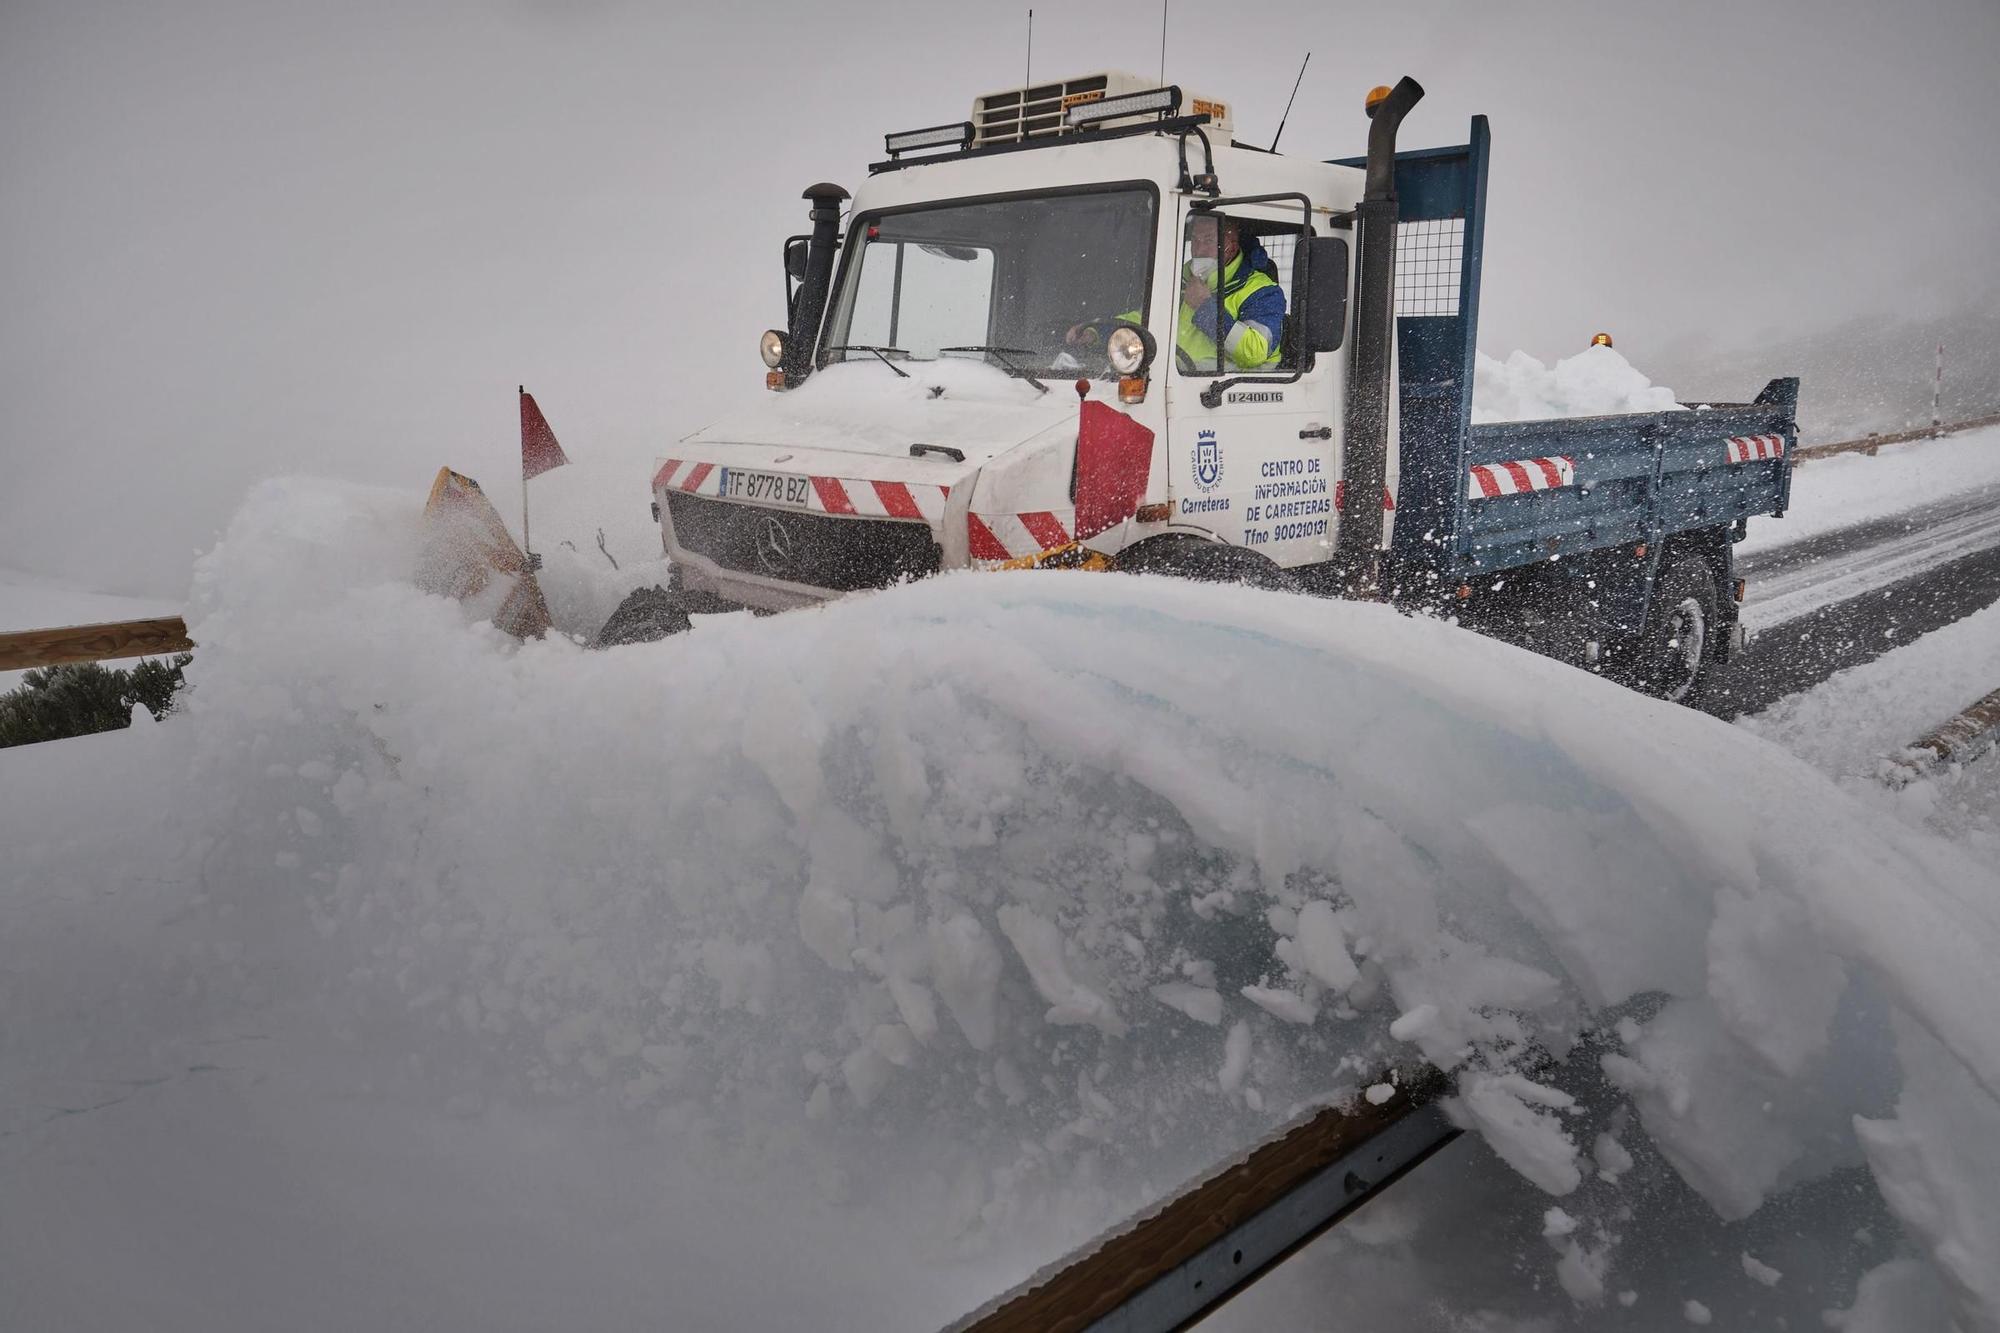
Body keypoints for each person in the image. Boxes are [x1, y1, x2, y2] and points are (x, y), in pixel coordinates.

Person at [1067, 217, 1287, 372]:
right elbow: (1144, 322)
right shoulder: (1181, 281)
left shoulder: (1262, 291)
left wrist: (1204, 306)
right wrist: (1097, 332)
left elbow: (1255, 351)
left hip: (1226, 397)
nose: (1199, 249)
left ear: (1230, 247)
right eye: (1195, 241)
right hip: (1181, 383)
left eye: (1209, 240)